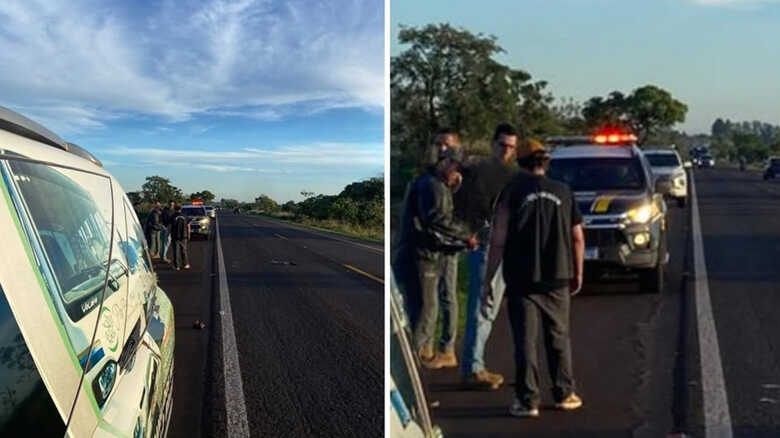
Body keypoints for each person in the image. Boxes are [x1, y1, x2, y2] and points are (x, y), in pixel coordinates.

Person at [482, 139, 585, 418]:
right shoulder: (563, 191)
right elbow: (577, 237)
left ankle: (528, 400)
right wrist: (578, 272)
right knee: (558, 337)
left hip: (521, 278)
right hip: (557, 276)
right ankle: (564, 393)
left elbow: (498, 239)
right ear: (545, 163)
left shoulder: (511, 192)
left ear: (521, 163)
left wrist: (488, 279)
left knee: (525, 341)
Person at [392, 147, 477, 365]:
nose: (457, 173)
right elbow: (437, 219)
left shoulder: (433, 183)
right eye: (455, 167)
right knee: (425, 309)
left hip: (422, 254)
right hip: (421, 256)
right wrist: (466, 236)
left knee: (423, 306)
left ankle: (418, 355)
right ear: (445, 163)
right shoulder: (432, 185)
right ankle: (415, 359)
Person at [456, 123, 520, 389]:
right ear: (493, 144)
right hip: (484, 245)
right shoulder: (478, 171)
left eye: (511, 147)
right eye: (503, 145)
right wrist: (468, 232)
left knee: (488, 308)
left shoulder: (513, 174)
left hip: (504, 248)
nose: (506, 151)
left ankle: (474, 363)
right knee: (482, 306)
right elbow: (459, 203)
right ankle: (473, 368)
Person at [419, 128, 464, 369]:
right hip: (433, 244)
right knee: (430, 296)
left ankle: (446, 348)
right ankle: (426, 345)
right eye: (438, 144)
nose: (442, 148)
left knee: (446, 296)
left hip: (449, 245)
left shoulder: (456, 176)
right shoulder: (435, 175)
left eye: (446, 144)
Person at [171, 204, 191, 270]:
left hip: (175, 236)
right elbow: (188, 226)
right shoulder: (185, 216)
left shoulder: (173, 216)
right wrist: (188, 234)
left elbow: (170, 226)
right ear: (181, 209)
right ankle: (186, 264)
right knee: (184, 250)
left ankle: (177, 266)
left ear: (175, 209)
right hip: (184, 236)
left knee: (176, 251)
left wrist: (168, 234)